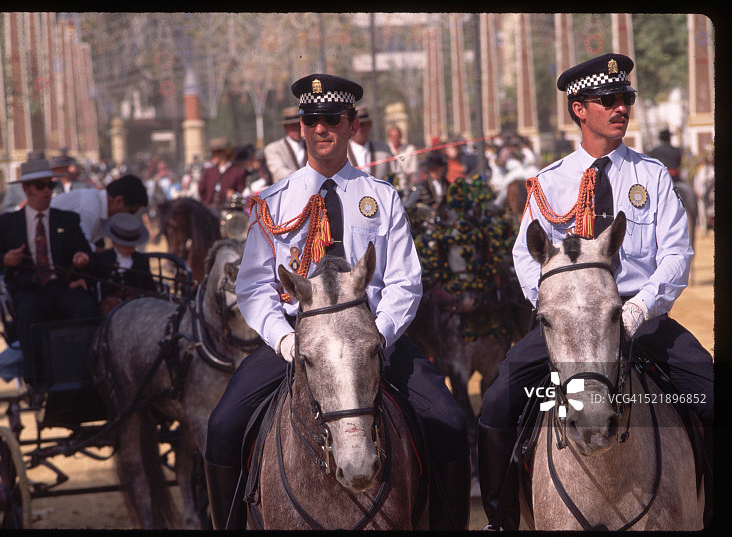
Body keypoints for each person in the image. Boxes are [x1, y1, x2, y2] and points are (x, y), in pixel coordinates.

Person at [204, 73, 470, 531]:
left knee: (449, 422)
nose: (321, 127)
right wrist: (286, 341)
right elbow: (253, 287)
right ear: (301, 128)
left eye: (332, 118)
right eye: (311, 119)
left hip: (372, 338)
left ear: (352, 126)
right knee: (223, 427)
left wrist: (376, 339)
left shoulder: (381, 199)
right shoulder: (273, 202)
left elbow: (404, 283)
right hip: (297, 342)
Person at [478, 53, 714, 530]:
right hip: (566, 326)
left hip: (642, 323)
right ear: (579, 109)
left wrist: (638, 309)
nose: (621, 107)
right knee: (498, 402)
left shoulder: (651, 177)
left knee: (710, 392)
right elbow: (526, 256)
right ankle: (499, 520)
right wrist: (554, 308)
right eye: (609, 100)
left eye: (625, 97)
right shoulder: (548, 183)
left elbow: (675, 255)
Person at [0, 157, 100, 403]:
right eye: (40, 186)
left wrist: (82, 261)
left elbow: (88, 257)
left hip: (63, 288)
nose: (47, 191)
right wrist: (6, 259)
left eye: (50, 186)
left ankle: (85, 372)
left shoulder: (67, 220)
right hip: (28, 290)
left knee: (86, 307)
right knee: (30, 312)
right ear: (26, 188)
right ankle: (39, 378)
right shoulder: (7, 224)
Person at [50, 174, 149, 251]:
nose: (129, 217)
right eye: (130, 212)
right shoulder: (91, 208)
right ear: (118, 201)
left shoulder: (99, 207)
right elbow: (81, 250)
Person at [87, 212, 156, 316]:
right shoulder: (102, 259)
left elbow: (150, 288)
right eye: (126, 245)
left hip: (138, 310)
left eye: (133, 245)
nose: (131, 248)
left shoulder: (141, 260)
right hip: (109, 313)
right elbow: (94, 288)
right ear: (115, 242)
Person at [198, 137, 247, 209]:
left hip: (229, 208)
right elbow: (201, 190)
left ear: (224, 154)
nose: (213, 156)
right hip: (210, 208)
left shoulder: (237, 172)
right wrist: (206, 203)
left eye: (216, 153)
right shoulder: (209, 171)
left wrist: (234, 195)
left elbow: (242, 192)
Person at [347, 106, 392, 180]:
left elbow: (398, 174)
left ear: (370, 125)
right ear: (350, 128)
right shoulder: (342, 153)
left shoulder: (384, 150)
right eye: (356, 126)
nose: (360, 129)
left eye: (363, 125)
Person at [263, 106, 306, 182]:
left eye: (299, 125)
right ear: (286, 128)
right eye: (293, 126)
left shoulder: (310, 145)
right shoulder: (273, 148)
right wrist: (305, 176)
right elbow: (279, 172)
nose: (297, 129)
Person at [386, 124, 418, 197]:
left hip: (406, 188)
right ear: (389, 138)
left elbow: (413, 169)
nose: (395, 139)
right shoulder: (386, 150)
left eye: (397, 136)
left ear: (401, 136)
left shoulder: (410, 149)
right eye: (392, 137)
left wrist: (403, 176)